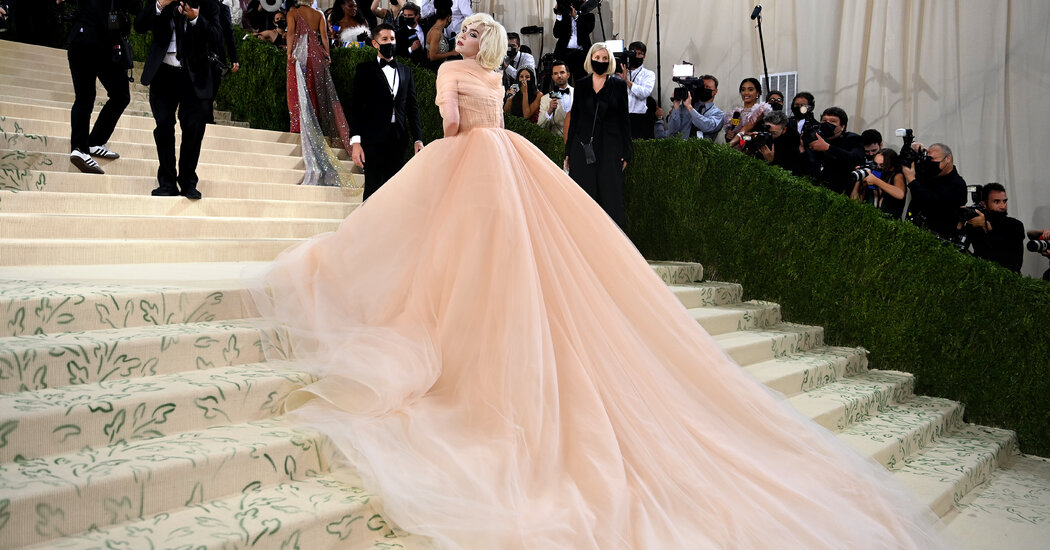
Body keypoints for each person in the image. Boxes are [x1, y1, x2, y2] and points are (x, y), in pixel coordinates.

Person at [251, 13, 949, 549]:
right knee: (506, 251)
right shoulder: (497, 77)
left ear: (473, 43)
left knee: (444, 248)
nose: (460, 36)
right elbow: (489, 118)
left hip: (468, 163)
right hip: (511, 166)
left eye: (466, 32)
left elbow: (455, 126)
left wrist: (442, 140)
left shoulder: (449, 76)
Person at [135, 0, 221, 200]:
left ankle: (188, 181)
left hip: (193, 76)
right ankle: (166, 182)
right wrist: (159, 5)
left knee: (193, 130)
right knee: (163, 126)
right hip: (162, 72)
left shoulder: (209, 3)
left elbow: (217, 37)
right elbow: (139, 25)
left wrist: (195, 19)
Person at [59, 0, 139, 175]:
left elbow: (136, 7)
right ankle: (80, 148)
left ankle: (93, 142)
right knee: (87, 96)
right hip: (90, 42)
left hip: (97, 43)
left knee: (117, 96)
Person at [349, 23, 424, 200]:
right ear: (375, 43)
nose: (389, 42)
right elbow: (356, 107)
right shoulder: (364, 70)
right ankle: (366, 227)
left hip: (399, 139)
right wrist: (356, 142)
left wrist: (418, 138)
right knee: (373, 190)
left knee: (395, 191)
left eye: (392, 39)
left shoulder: (406, 72)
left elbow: (412, 109)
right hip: (373, 139)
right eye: (384, 39)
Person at [286, 0, 354, 188]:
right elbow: (324, 36)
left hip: (299, 54)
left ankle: (298, 126)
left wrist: (289, 52)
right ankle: (314, 126)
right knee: (314, 90)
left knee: (296, 89)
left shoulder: (293, 13)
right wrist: (327, 55)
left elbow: (291, 33)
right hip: (315, 54)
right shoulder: (319, 15)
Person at [564, 42, 632, 228]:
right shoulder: (581, 85)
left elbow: (624, 119)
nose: (600, 61)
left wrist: (627, 152)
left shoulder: (618, 85)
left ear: (609, 61)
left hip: (610, 149)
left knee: (611, 199)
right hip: (582, 148)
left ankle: (614, 249)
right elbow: (575, 120)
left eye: (604, 58)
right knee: (584, 199)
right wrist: (568, 152)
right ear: (590, 59)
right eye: (597, 58)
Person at [902, 142, 968, 238]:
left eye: (933, 159)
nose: (930, 163)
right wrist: (912, 151)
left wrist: (911, 180)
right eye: (928, 159)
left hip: (939, 239)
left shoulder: (957, 185)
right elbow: (903, 162)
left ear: (948, 158)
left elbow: (930, 202)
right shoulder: (928, 173)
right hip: (914, 232)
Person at [964, 183, 1025, 272]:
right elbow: (961, 248)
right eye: (997, 202)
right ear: (983, 204)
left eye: (1004, 201)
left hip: (1007, 280)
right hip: (980, 277)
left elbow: (1013, 263)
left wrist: (987, 229)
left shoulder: (1015, 225)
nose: (1003, 206)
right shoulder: (975, 224)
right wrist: (961, 222)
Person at [806, 106, 865, 194]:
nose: (827, 124)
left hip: (841, 192)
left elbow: (856, 158)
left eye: (832, 121)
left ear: (842, 126)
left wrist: (828, 148)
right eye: (824, 121)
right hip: (815, 189)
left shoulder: (853, 139)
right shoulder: (816, 137)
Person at [659, 75, 723, 141]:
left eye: (707, 87)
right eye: (702, 87)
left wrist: (690, 108)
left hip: (702, 150)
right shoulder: (684, 108)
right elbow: (672, 130)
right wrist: (676, 105)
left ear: (715, 91)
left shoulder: (718, 114)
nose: (704, 89)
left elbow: (707, 127)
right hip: (681, 148)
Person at [207, 0, 239, 124]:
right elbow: (229, 35)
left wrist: (234, 58)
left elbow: (229, 34)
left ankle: (206, 116)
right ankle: (206, 117)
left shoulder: (222, 9)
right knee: (210, 88)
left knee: (210, 87)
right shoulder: (221, 8)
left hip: (215, 57)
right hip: (209, 55)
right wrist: (234, 59)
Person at [851, 148, 906, 219]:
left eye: (882, 165)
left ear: (891, 167)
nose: (877, 168)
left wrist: (876, 181)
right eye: (875, 164)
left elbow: (900, 194)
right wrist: (860, 177)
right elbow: (854, 202)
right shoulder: (871, 176)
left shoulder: (896, 176)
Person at [753, 110, 810, 178]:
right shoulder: (759, 128)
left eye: (774, 133)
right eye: (768, 132)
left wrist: (771, 160)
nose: (770, 135)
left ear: (784, 130)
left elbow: (792, 170)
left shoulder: (792, 139)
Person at [618, 41, 656, 139]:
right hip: (620, 116)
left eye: (640, 54)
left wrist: (627, 81)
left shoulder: (649, 74)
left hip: (639, 118)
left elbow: (644, 93)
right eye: (634, 53)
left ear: (644, 56)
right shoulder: (619, 72)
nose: (637, 56)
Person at [553, 0, 594, 82]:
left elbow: (587, 30)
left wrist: (576, 17)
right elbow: (556, 34)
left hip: (580, 54)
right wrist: (559, 15)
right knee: (562, 81)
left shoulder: (589, 16)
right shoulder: (564, 16)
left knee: (581, 82)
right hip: (564, 53)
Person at [724, 77, 771, 145]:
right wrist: (728, 136)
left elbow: (745, 129)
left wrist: (728, 146)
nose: (746, 93)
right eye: (743, 90)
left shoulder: (760, 110)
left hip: (752, 151)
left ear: (757, 93)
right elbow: (730, 137)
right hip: (735, 151)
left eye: (750, 90)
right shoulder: (735, 113)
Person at [537, 59, 573, 139]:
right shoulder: (545, 99)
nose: (559, 76)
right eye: (556, 73)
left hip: (577, 142)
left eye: (562, 72)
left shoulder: (578, 94)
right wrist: (549, 111)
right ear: (552, 77)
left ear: (568, 75)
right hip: (556, 144)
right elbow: (540, 126)